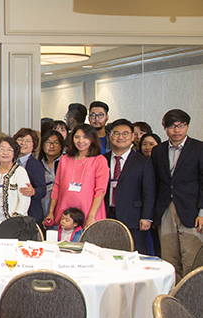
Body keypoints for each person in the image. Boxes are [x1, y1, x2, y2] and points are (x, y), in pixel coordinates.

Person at [151, 109, 203, 278]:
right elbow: (157, 182)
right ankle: (171, 301)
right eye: (172, 126)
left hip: (192, 210)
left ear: (187, 126)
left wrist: (202, 212)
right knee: (169, 260)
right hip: (165, 210)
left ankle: (191, 301)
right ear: (164, 128)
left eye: (181, 125)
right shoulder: (158, 150)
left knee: (192, 260)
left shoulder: (199, 148)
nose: (177, 130)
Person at [104, 119, 155, 255]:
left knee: (135, 255)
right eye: (116, 133)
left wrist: (146, 217)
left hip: (134, 217)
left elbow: (149, 191)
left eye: (125, 134)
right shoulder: (102, 159)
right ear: (110, 136)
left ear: (133, 137)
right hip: (106, 214)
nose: (121, 137)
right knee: (108, 254)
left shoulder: (143, 162)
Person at [45, 124, 109, 229]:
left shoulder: (99, 160)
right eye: (77, 137)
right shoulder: (65, 159)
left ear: (92, 139)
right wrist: (51, 212)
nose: (80, 141)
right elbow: (57, 187)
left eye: (85, 137)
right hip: (64, 215)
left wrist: (92, 215)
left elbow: (100, 191)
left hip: (89, 214)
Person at [0, 137, 31, 235]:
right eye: (2, 149)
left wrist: (16, 220)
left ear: (14, 153)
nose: (5, 153)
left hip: (14, 225)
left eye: (9, 150)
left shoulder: (20, 172)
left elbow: (25, 199)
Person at [14, 128, 47, 222]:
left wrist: (33, 191)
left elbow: (42, 190)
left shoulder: (35, 165)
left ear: (33, 145)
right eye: (20, 139)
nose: (23, 143)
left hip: (31, 213)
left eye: (28, 141)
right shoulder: (10, 162)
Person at [39, 131, 65, 218]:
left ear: (61, 145)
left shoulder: (67, 162)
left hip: (63, 208)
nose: (51, 146)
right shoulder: (38, 164)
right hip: (43, 208)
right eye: (48, 142)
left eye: (56, 143)